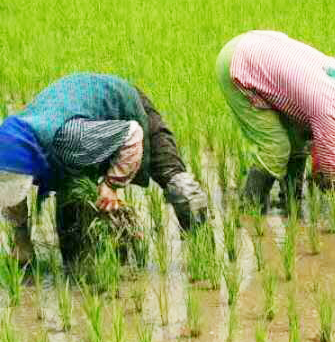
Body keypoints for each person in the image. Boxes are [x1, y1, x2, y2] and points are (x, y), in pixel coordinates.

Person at [0, 73, 208, 265]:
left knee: (179, 185)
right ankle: (93, 266)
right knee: (73, 236)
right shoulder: (10, 148)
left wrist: (111, 184)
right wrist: (21, 238)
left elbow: (132, 134)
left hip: (121, 103)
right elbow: (12, 192)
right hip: (77, 123)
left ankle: (203, 253)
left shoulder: (70, 138)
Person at [216, 30, 335, 212]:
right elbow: (333, 170)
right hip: (238, 66)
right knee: (275, 147)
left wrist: (318, 155)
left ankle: (291, 203)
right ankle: (251, 208)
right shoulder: (329, 107)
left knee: (298, 140)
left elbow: (311, 123)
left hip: (254, 45)